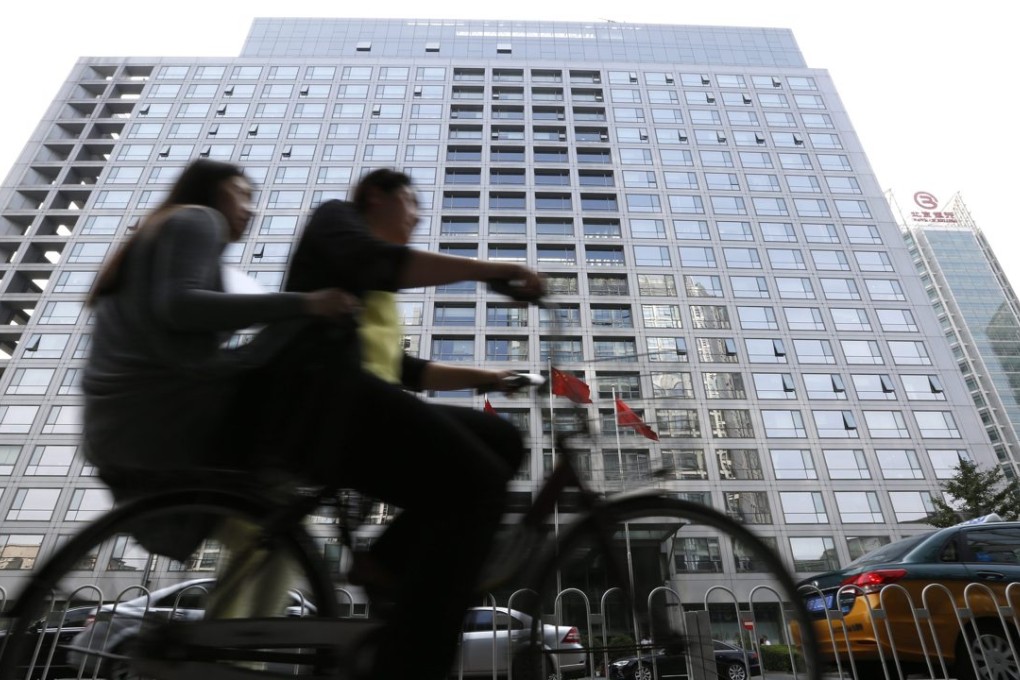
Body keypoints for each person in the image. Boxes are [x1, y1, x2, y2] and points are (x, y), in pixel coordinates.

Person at [284, 168, 545, 680]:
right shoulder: (336, 220)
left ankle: (382, 562)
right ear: (375, 196)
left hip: (362, 406)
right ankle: (414, 663)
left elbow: (408, 372)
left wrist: (493, 377)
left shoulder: (374, 294)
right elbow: (377, 260)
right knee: (481, 486)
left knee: (502, 440)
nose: (418, 214)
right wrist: (490, 270)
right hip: (323, 406)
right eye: (410, 200)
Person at [82, 158, 357, 561]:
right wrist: (308, 303)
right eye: (242, 193)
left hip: (121, 426)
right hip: (167, 410)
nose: (251, 207)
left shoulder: (158, 229)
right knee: (305, 363)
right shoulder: (199, 218)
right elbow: (180, 306)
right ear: (211, 190)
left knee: (261, 539)